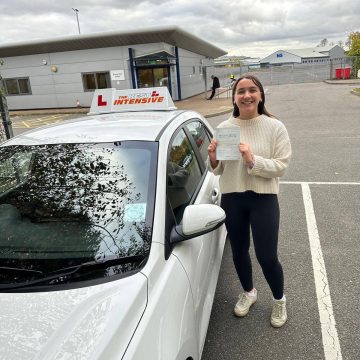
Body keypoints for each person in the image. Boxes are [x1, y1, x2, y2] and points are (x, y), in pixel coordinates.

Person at [207, 74, 292, 328]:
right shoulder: (225, 128)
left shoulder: (274, 126)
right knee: (239, 251)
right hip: (233, 198)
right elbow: (218, 170)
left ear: (260, 95)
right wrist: (212, 157)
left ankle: (279, 299)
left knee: (267, 256)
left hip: (263, 199)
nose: (246, 95)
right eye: (241, 91)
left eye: (252, 90)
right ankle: (249, 292)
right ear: (234, 97)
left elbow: (281, 166)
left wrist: (252, 160)